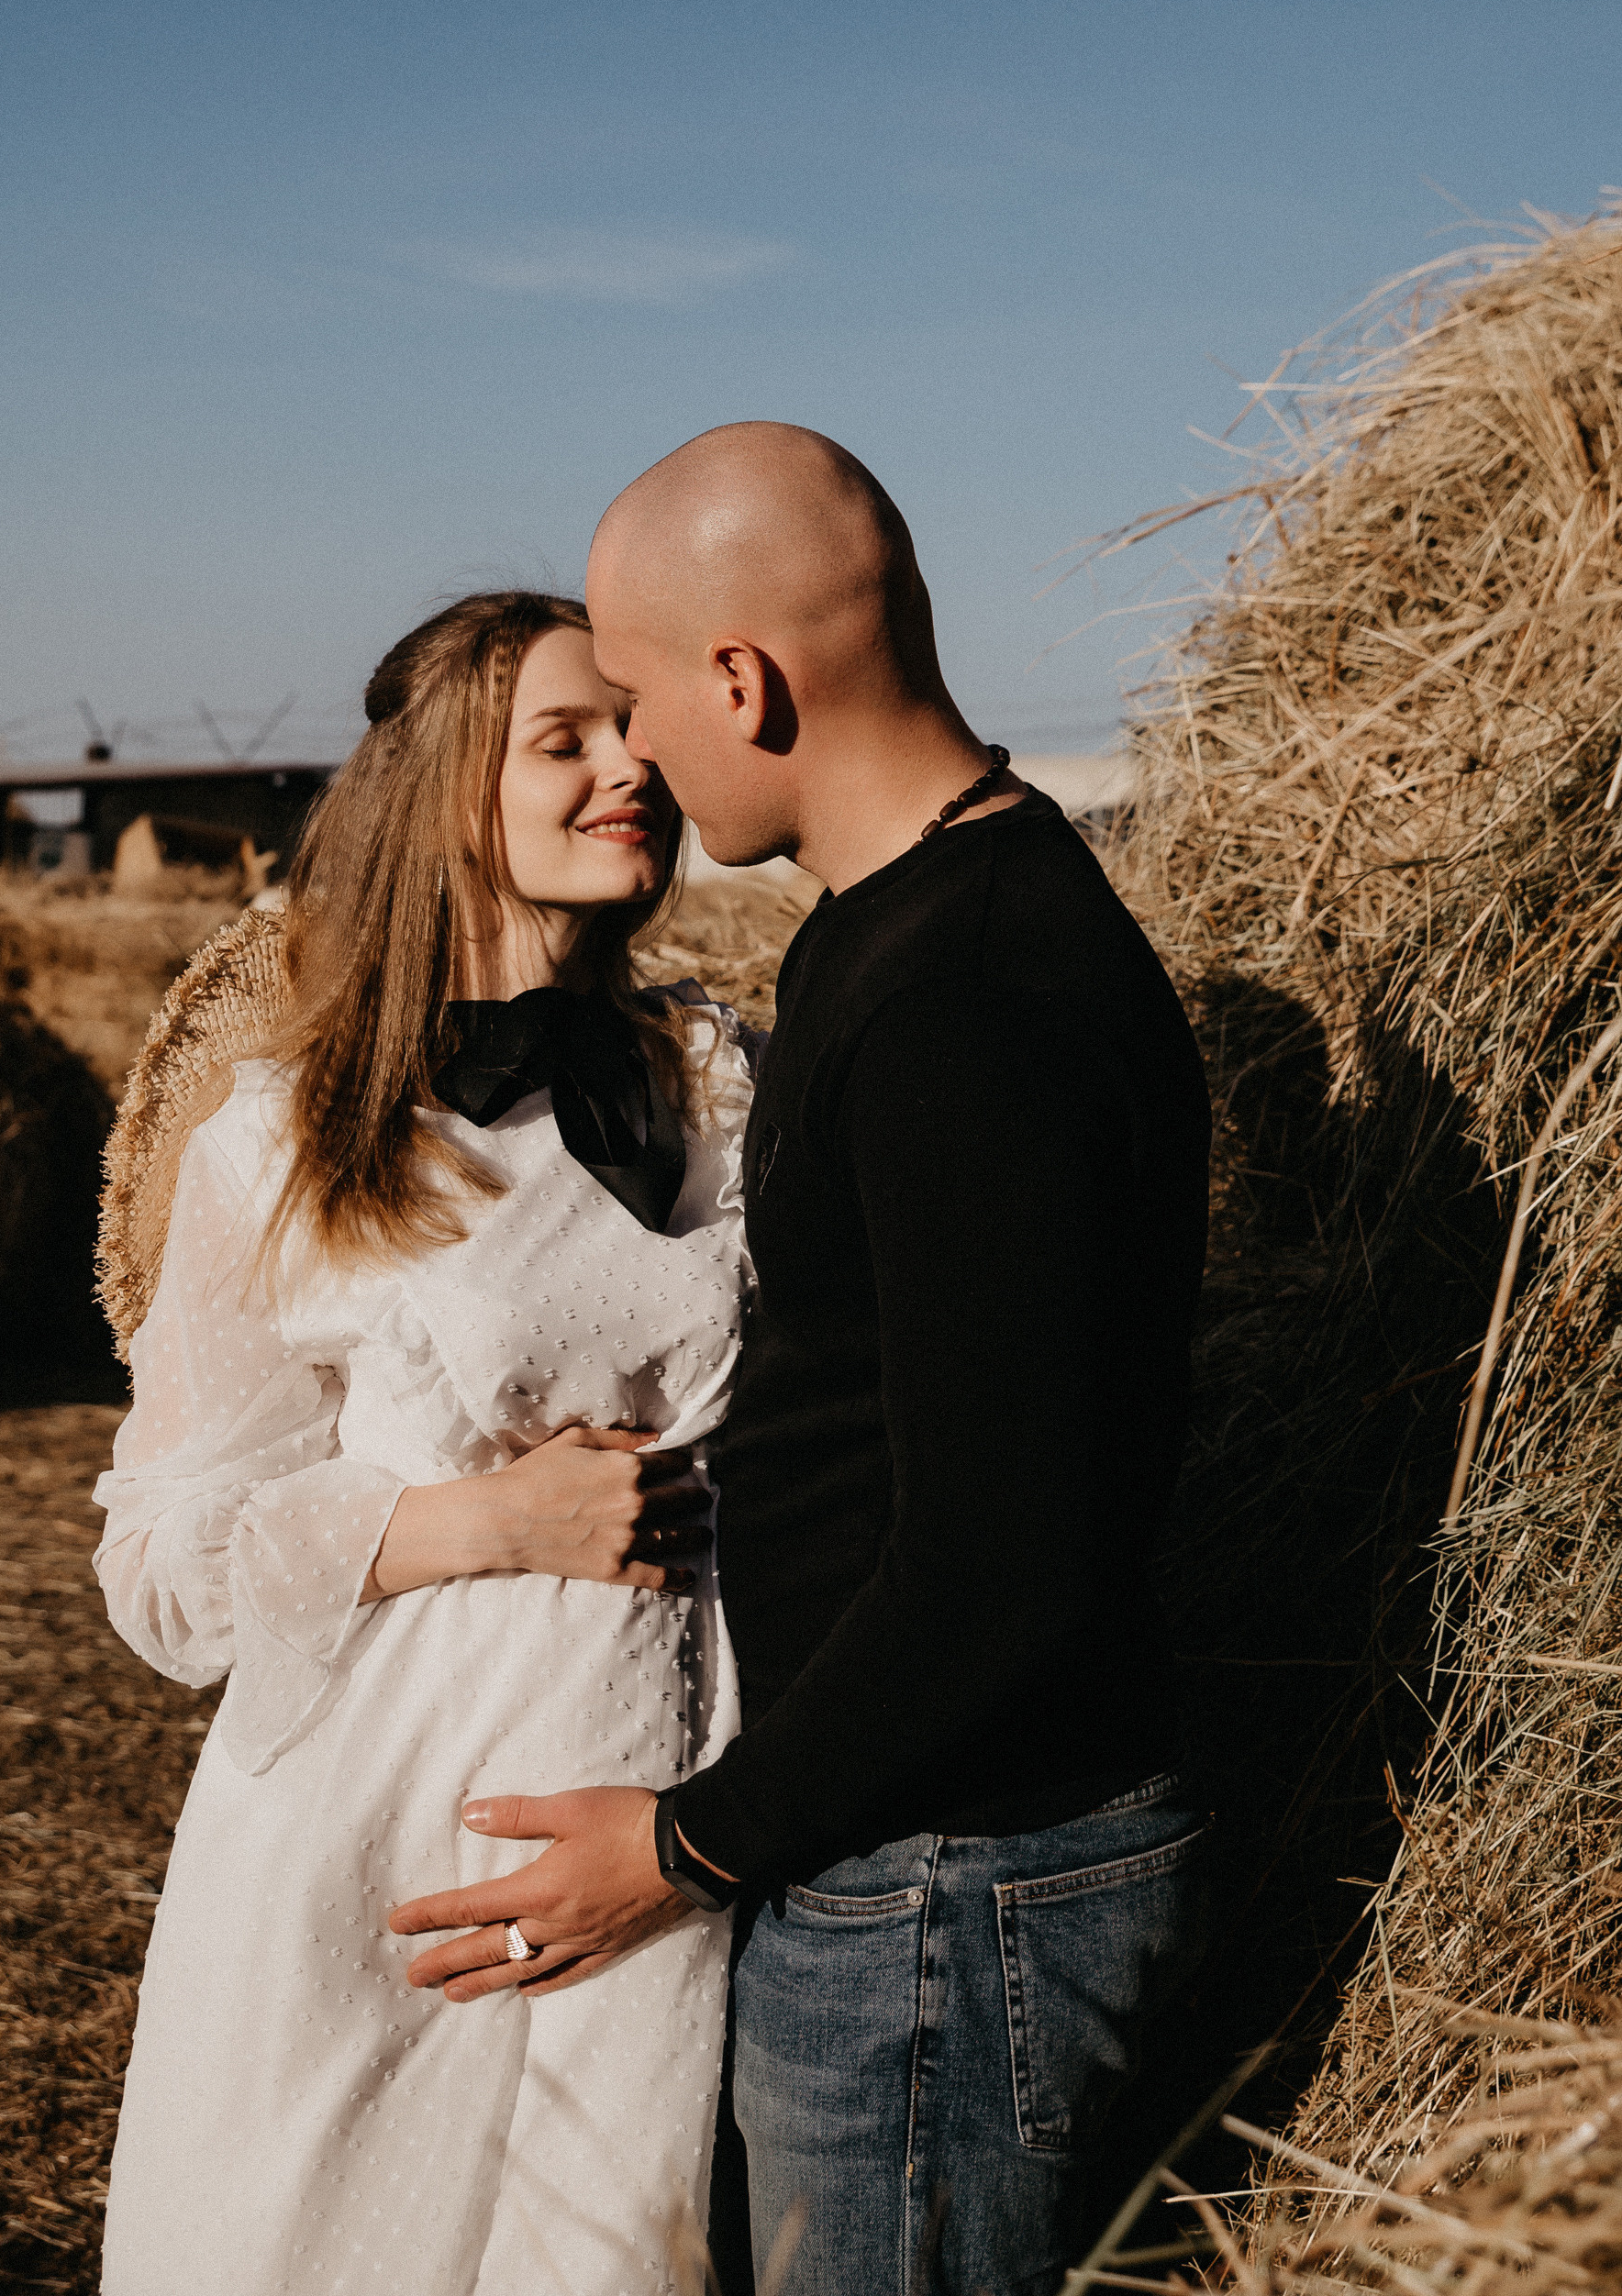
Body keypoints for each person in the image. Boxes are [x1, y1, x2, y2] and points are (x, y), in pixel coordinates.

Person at [390, 430, 1215, 2296]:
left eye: (640, 699)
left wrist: (685, 1842)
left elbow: (1003, 1562)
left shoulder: (966, 996)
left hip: (949, 1883)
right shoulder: (892, 930)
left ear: (740, 681)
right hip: (900, 1848)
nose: (639, 759)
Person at [92, 589, 758, 2296]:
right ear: (441, 797)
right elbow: (162, 1572)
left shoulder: (716, 1083)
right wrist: (478, 1523)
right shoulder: (282, 1142)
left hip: (653, 1792)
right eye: (566, 741)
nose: (632, 768)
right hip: (372, 1820)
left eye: (632, 731)